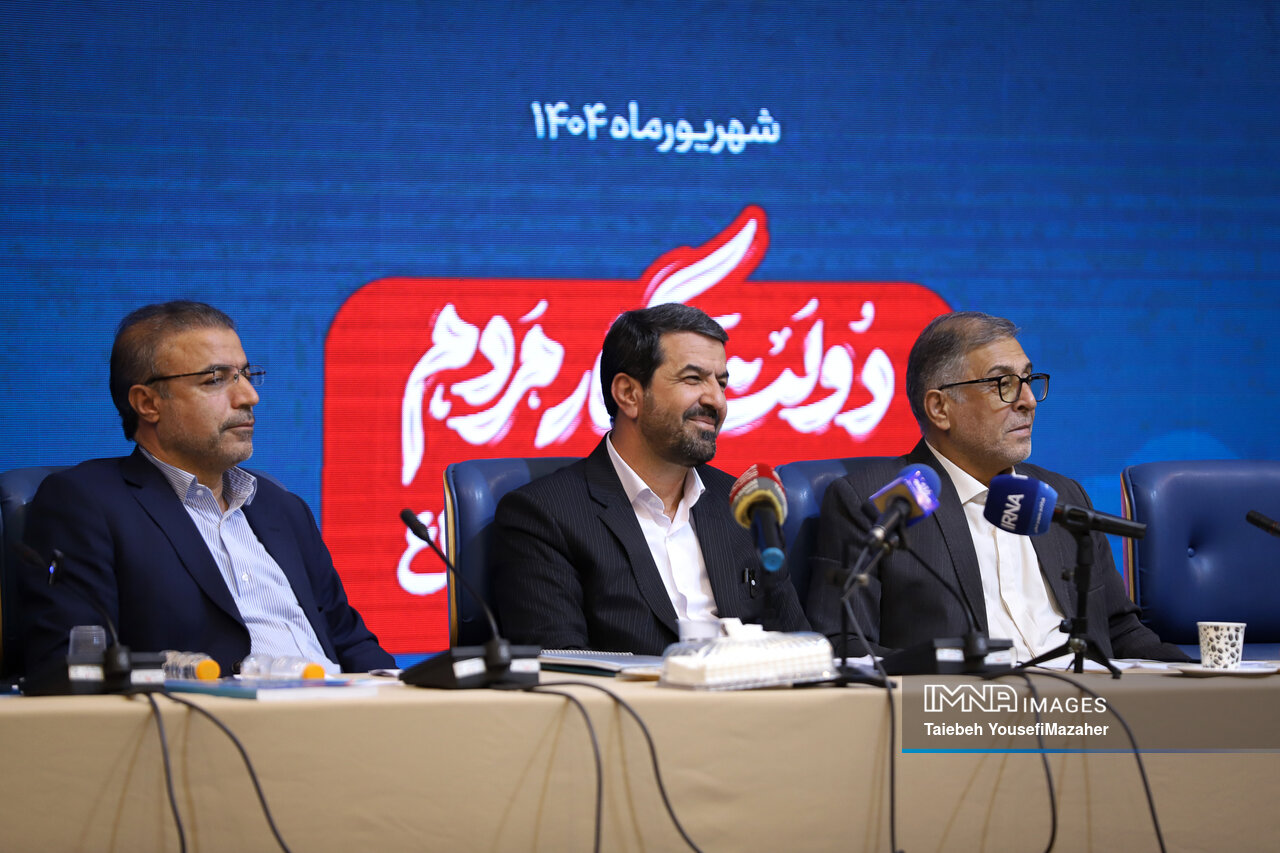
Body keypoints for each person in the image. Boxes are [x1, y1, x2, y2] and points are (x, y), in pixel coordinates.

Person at [20, 300, 393, 678]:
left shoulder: (283, 508)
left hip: (344, 707)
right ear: (147, 403)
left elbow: (351, 643)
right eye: (215, 379)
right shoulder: (86, 503)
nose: (249, 396)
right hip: (210, 711)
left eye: (246, 374)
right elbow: (73, 668)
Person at [806, 311, 1188, 662]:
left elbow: (1120, 630)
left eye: (1028, 380)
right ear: (940, 408)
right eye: (1002, 384)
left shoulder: (1064, 497)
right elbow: (846, 644)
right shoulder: (876, 503)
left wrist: (1205, 681)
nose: (1028, 401)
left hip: (1085, 704)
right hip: (968, 708)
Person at [491, 303, 809, 655]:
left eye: (721, 383)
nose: (717, 401)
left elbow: (803, 651)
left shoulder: (743, 506)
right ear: (629, 394)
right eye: (693, 379)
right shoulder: (544, 516)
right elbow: (562, 669)